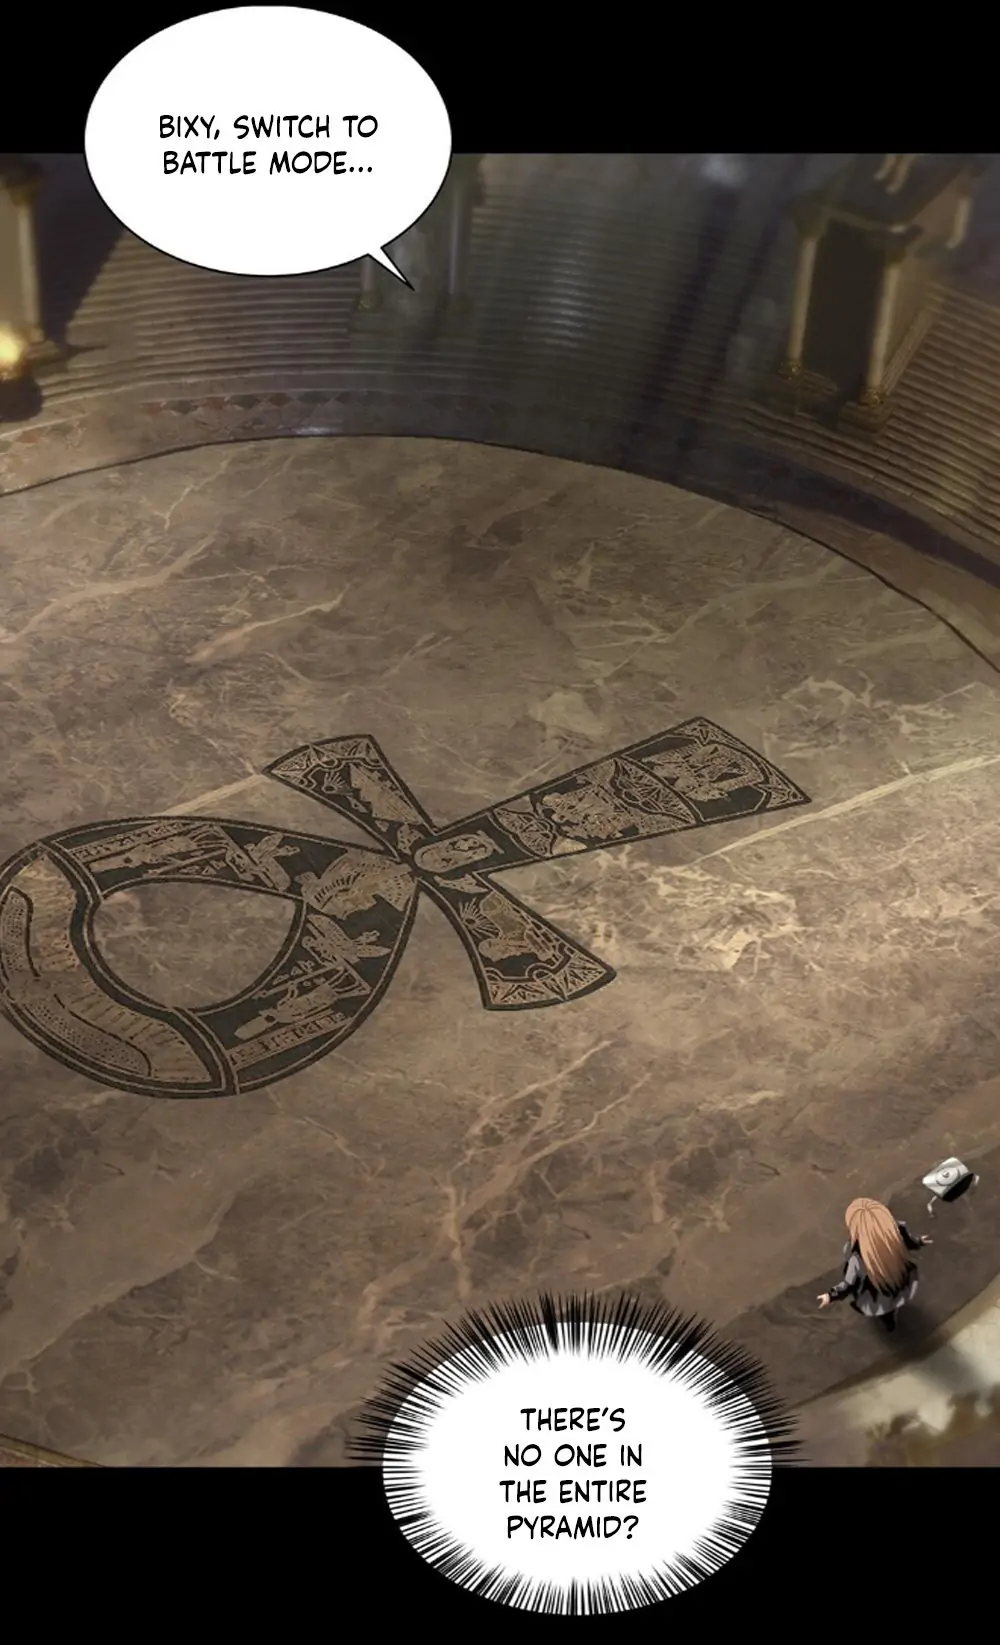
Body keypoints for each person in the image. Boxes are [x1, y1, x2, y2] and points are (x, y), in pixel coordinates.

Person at [817, 1197, 932, 1332]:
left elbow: (849, 1284)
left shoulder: (857, 1257)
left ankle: (889, 1322)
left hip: (876, 1295)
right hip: (900, 1280)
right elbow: (909, 1241)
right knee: (892, 1304)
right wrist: (919, 1242)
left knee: (885, 1311)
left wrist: (831, 1296)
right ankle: (891, 1317)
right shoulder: (895, 1231)